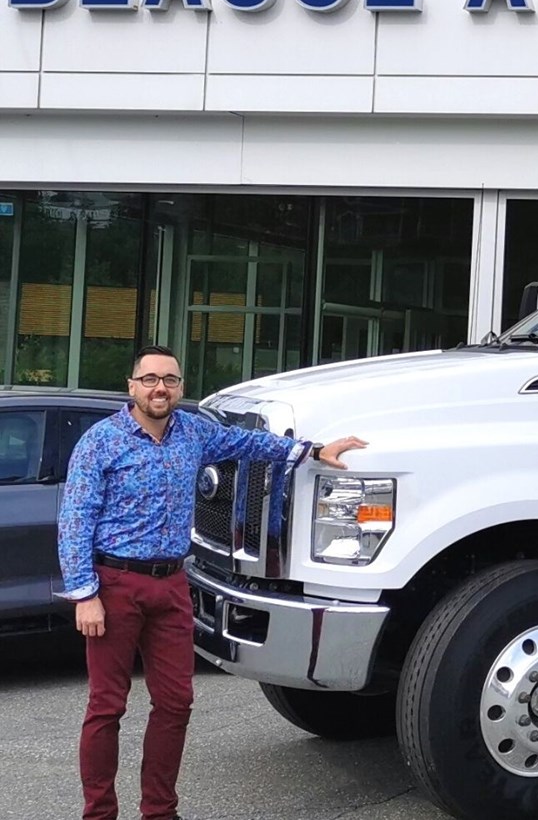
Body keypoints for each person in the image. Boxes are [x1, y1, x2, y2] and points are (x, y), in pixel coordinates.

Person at [57, 345, 368, 820]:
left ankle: (159, 811)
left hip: (172, 586)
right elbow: (75, 517)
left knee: (176, 703)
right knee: (106, 707)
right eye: (150, 379)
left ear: (179, 387)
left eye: (170, 380)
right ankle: (99, 813)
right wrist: (85, 594)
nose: (160, 388)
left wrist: (313, 452)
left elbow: (251, 445)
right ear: (132, 386)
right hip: (115, 583)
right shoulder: (102, 441)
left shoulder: (194, 431)